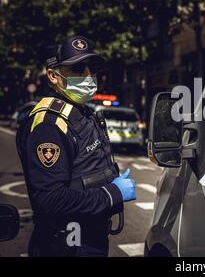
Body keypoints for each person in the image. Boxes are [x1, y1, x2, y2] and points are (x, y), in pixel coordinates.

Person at [16, 36, 136, 257]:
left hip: (88, 239)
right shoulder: (49, 125)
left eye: (93, 68)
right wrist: (113, 193)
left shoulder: (80, 112)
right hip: (66, 246)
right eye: (79, 68)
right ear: (53, 75)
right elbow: (50, 199)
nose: (89, 76)